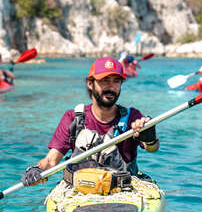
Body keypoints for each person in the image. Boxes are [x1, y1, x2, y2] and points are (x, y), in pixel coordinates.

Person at [21, 57, 160, 187]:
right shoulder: (73, 118)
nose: (111, 87)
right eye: (104, 80)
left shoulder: (132, 117)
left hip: (123, 189)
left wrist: (149, 137)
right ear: (90, 84)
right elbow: (51, 160)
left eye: (116, 81)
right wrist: (37, 170)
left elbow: (152, 149)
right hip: (80, 190)